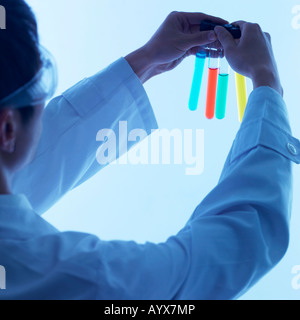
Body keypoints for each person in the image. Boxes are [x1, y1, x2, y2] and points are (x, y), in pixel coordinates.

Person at [0, 0, 299, 300]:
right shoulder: (63, 274)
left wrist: (148, 59)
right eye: (41, 82)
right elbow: (207, 264)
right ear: (8, 128)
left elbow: (39, 159)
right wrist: (267, 82)